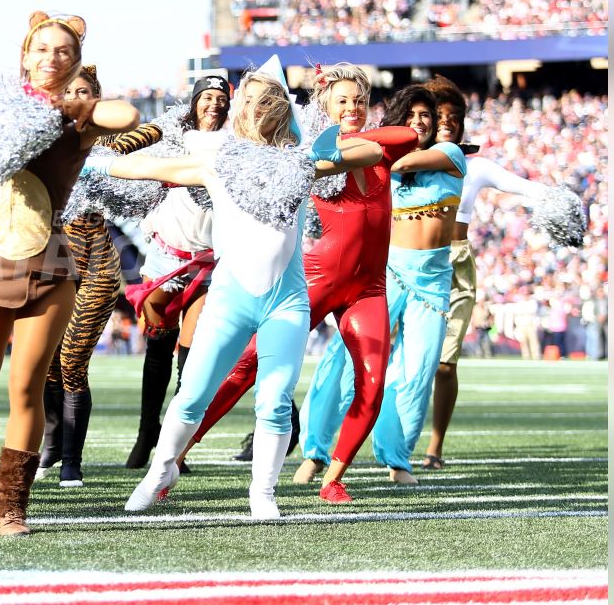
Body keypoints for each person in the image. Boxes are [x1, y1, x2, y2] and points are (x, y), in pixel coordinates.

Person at [105, 57, 382, 518]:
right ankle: (159, 472)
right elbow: (152, 168)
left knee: (274, 402)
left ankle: (263, 493)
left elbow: (371, 152)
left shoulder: (299, 162)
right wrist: (95, 168)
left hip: (286, 303)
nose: (254, 109)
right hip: (230, 300)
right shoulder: (217, 159)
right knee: (191, 395)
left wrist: (322, 156)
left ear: (279, 111)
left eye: (265, 102)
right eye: (248, 101)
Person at [0, 11, 139, 536]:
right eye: (42, 50)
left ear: (75, 60)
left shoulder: (79, 115)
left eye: (63, 51)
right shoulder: (3, 110)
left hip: (50, 261)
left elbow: (125, 115)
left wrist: (67, 104)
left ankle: (11, 503)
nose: (51, 58)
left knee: (27, 388)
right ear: (25, 56)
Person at [179, 63, 420, 503]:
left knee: (373, 381)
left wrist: (347, 139)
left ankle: (334, 477)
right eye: (342, 101)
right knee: (246, 366)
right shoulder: (311, 154)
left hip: (369, 289)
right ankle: (179, 452)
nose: (353, 108)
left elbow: (407, 137)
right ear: (325, 105)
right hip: (317, 279)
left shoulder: (372, 149)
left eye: (360, 101)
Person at [297, 84, 467, 485]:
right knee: (343, 358)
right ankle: (315, 452)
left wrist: (358, 147)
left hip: (433, 278)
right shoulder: (375, 157)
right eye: (410, 117)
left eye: (427, 116)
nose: (419, 123)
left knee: (418, 369)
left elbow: (400, 163)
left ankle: (397, 458)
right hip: (384, 271)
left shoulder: (450, 154)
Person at [37, 65, 163, 487]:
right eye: (68, 89)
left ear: (96, 98)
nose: (75, 96)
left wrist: (104, 152)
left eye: (85, 91)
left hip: (95, 265)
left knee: (72, 360)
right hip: (49, 260)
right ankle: (52, 446)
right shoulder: (43, 135)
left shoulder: (101, 139)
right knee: (47, 363)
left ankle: (72, 459)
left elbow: (148, 134)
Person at [423, 74, 555, 469]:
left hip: (455, 263)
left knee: (446, 364)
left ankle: (435, 447)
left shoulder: (474, 165)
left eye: (454, 115)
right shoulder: (406, 161)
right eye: (439, 114)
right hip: (410, 260)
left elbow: (522, 187)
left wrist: (558, 197)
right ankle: (390, 443)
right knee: (400, 360)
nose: (447, 121)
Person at [123, 74, 231, 471]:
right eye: (207, 97)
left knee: (193, 353)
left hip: (209, 261)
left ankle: (173, 442)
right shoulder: (174, 137)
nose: (214, 104)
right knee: (157, 350)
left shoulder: (237, 143)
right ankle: (145, 433)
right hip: (166, 258)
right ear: (194, 102)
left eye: (222, 98)